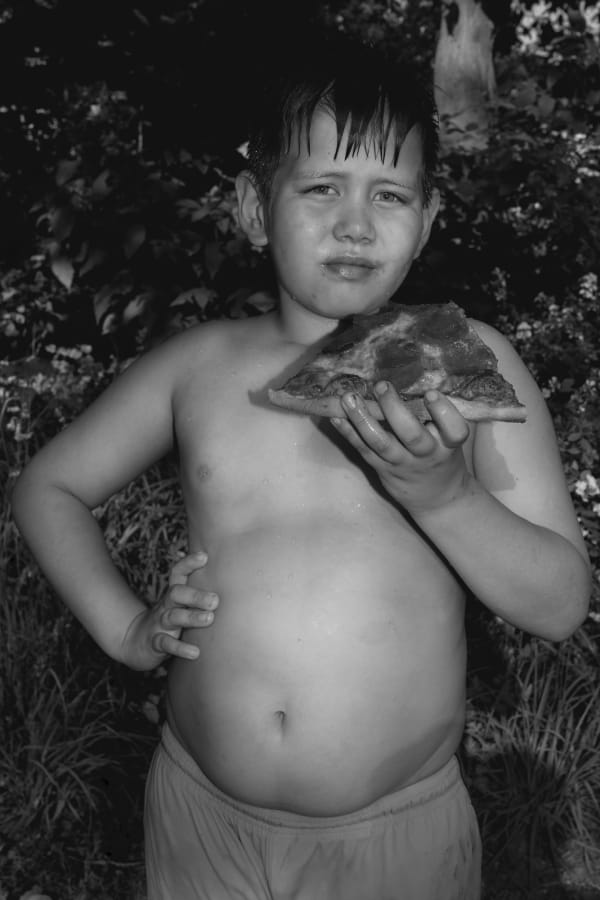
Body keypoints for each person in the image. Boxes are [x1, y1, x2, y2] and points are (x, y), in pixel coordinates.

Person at [12, 36, 590, 900]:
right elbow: (45, 488)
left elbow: (559, 605)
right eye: (321, 187)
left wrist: (444, 496)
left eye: (389, 195)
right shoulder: (196, 368)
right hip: (201, 819)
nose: (355, 224)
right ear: (254, 208)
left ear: (427, 221)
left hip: (397, 840)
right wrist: (127, 629)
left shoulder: (471, 367)